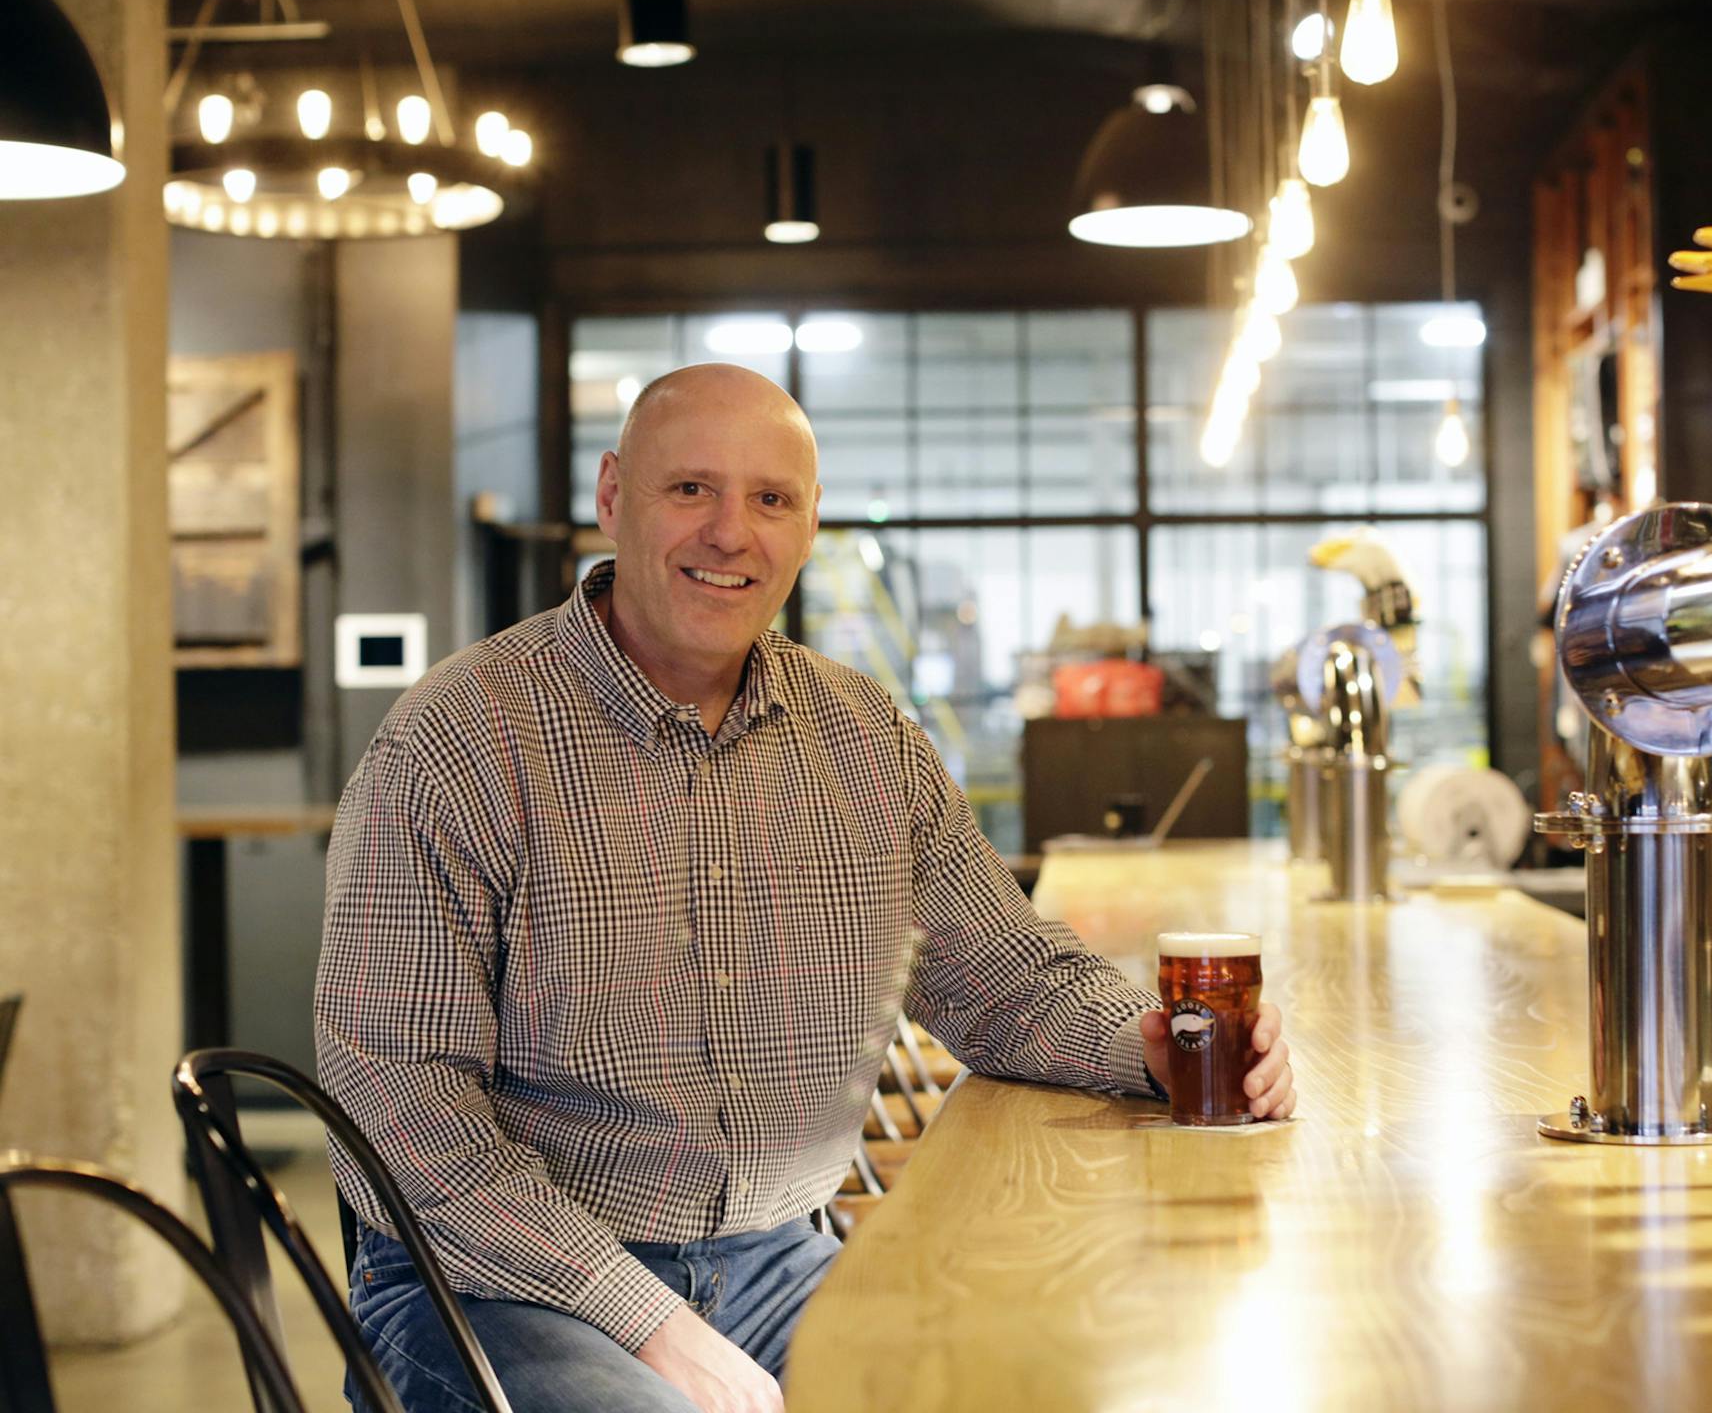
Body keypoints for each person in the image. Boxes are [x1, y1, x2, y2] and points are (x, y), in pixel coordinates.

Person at [315, 363, 1296, 1413]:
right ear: (611, 497)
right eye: (690, 489)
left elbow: (1007, 980)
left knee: (1032, 1380)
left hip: (781, 1261)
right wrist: (650, 1325)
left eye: (771, 499)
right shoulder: (457, 741)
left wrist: (1148, 1042)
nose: (731, 533)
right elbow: (396, 1106)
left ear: (810, 523)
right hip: (499, 1289)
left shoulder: (864, 739)